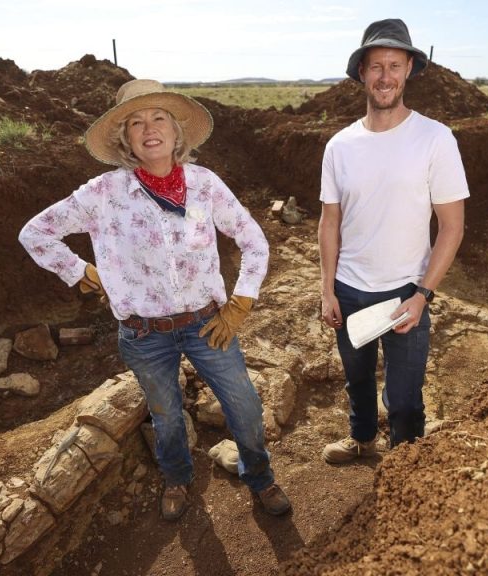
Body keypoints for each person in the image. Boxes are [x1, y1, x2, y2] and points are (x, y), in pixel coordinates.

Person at [19, 79, 290, 518]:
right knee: (166, 416)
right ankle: (177, 479)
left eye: (159, 118)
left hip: (208, 324)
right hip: (144, 334)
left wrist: (241, 302)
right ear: (124, 138)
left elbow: (253, 239)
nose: (149, 129)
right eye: (136, 122)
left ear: (176, 130)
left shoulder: (204, 184)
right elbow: (35, 233)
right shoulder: (103, 193)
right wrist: (82, 273)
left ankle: (260, 477)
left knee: (244, 405)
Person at [318, 19, 469, 463]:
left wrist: (423, 294)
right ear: (362, 73)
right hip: (349, 288)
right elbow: (329, 222)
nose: (385, 76)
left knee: (404, 399)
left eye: (395, 66)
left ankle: (405, 466)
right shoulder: (339, 146)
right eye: (376, 66)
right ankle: (362, 439)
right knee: (358, 379)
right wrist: (327, 290)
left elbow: (453, 226)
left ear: (409, 71)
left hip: (406, 292)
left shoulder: (435, 139)